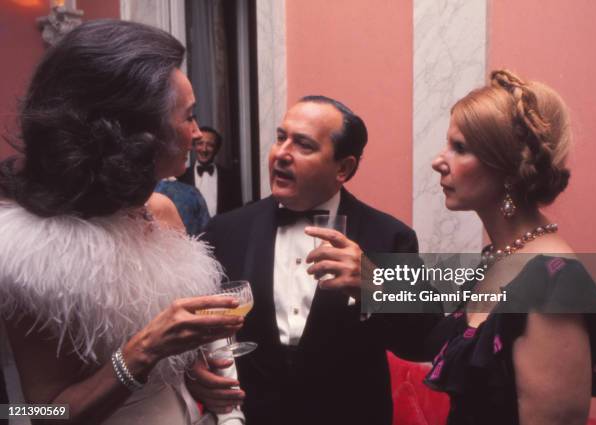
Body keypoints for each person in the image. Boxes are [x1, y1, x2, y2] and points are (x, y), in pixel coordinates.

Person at [0, 20, 244, 425]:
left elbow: (392, 329)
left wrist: (192, 375)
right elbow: (36, 412)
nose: (199, 134)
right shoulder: (30, 255)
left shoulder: (162, 210)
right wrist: (145, 350)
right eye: (189, 117)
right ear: (136, 133)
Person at [188, 96, 442, 425]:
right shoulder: (226, 230)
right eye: (281, 138)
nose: (281, 153)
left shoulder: (389, 236)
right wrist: (195, 372)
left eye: (304, 145)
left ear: (343, 168)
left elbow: (423, 341)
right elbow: (197, 328)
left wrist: (374, 284)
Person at [427, 69, 596, 425]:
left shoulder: (552, 281)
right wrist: (369, 278)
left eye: (460, 148)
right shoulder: (499, 256)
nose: (438, 161)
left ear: (508, 171)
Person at [178, 126, 242, 216]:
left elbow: (236, 212)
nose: (204, 149)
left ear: (217, 149)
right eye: (200, 143)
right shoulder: (181, 177)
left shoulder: (231, 178)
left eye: (210, 145)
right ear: (194, 146)